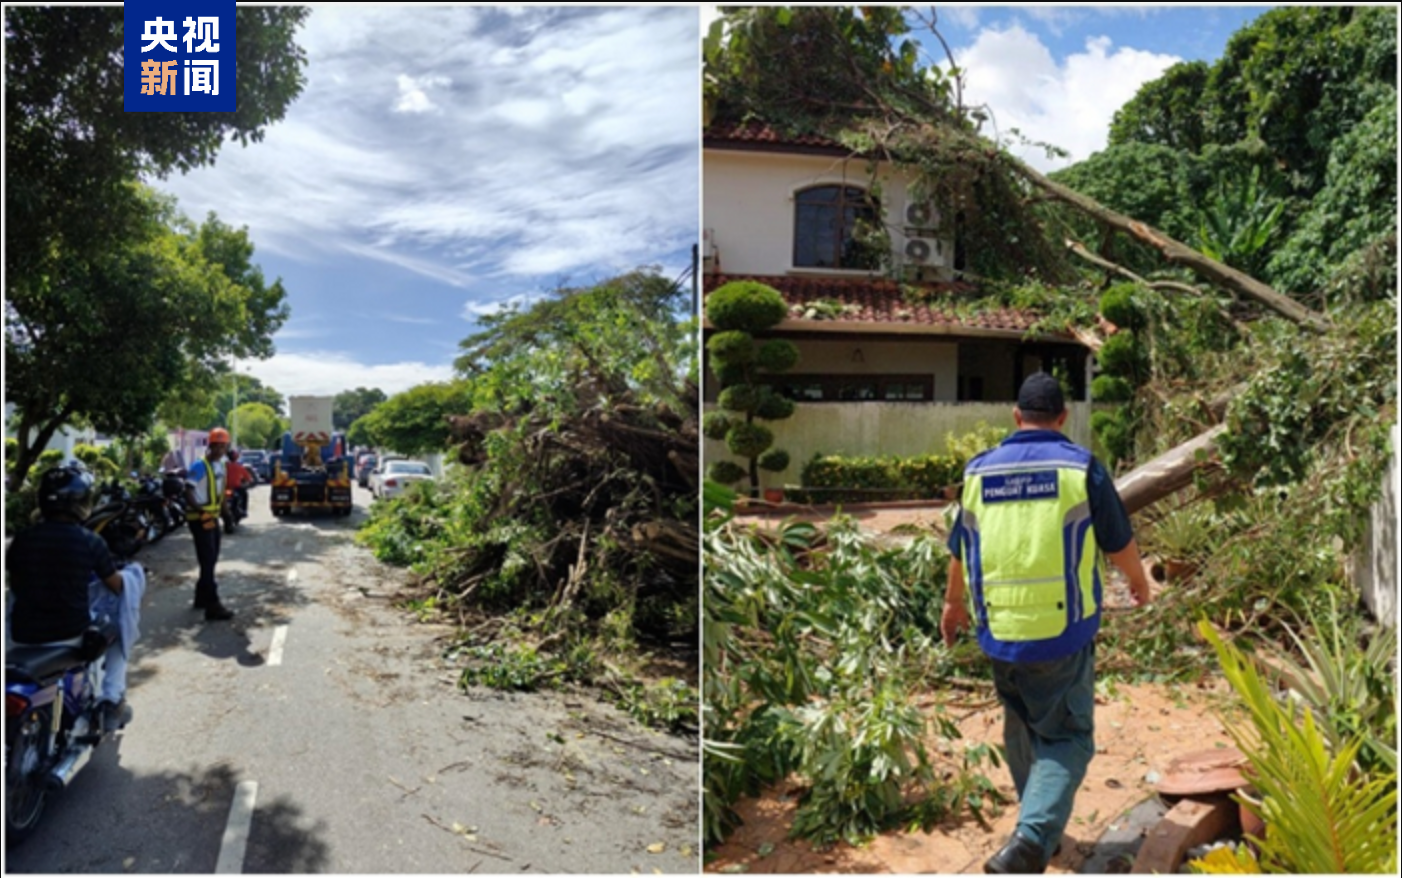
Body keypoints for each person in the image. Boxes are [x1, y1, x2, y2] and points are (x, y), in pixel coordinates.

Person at [942, 372, 1153, 874]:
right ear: (1062, 419)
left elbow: (959, 549)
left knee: (1022, 727)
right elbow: (1117, 540)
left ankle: (1039, 832)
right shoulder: (1079, 467)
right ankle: (1032, 841)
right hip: (1061, 633)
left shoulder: (979, 473)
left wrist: (954, 607)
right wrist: (1139, 581)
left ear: (1016, 418)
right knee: (1066, 736)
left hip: (998, 632)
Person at [5, 465, 145, 731]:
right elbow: (117, 587)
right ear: (81, 502)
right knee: (117, 626)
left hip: (21, 634)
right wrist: (132, 574)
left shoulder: (21, 540)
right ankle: (112, 697)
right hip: (69, 634)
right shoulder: (89, 541)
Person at [186, 428, 234, 621]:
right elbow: (188, 491)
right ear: (210, 446)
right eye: (217, 446)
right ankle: (212, 605)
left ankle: (200, 598)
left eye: (223, 446)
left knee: (211, 559)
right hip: (200, 519)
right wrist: (200, 510)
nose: (220, 450)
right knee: (207, 560)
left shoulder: (221, 467)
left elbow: (220, 495)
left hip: (212, 518)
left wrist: (227, 516)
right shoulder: (199, 466)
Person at [225, 448, 253, 519]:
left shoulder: (224, 466)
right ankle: (244, 510)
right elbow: (248, 478)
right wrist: (249, 482)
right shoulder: (239, 467)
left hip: (225, 488)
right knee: (245, 494)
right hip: (236, 487)